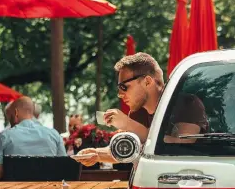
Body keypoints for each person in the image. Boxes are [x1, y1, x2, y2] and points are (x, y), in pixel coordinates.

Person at [74, 53, 208, 167]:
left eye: (124, 87)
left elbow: (179, 145)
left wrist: (127, 124)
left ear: (148, 82)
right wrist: (96, 154)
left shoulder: (187, 104)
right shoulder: (137, 113)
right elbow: (129, 149)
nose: (120, 94)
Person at [0, 96, 66, 181]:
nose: (9, 119)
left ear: (16, 112)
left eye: (10, 115)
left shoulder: (5, 136)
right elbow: (63, 168)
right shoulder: (54, 135)